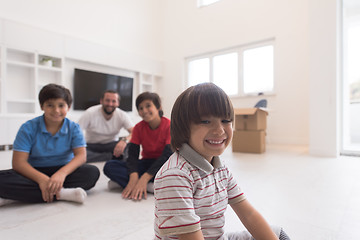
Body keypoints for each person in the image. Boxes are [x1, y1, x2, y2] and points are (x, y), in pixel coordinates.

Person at [154, 83, 290, 240]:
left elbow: (249, 215)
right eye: (205, 121)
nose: (219, 130)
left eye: (226, 120)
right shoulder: (175, 176)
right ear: (183, 128)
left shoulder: (220, 168)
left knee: (277, 233)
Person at [0, 84, 100, 206]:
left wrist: (61, 174)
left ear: (68, 107)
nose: (56, 111)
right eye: (50, 105)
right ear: (42, 106)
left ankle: (17, 195)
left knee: (92, 173)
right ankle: (62, 193)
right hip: (34, 172)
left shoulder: (74, 128)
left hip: (63, 170)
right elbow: (18, 163)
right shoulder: (28, 128)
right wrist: (42, 180)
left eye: (61, 105)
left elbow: (81, 156)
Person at [103, 92, 172, 200]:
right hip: (146, 163)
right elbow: (133, 155)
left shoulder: (169, 125)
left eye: (148, 106)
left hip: (165, 165)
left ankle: (136, 184)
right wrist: (133, 175)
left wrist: (145, 177)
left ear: (158, 107)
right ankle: (149, 186)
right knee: (109, 166)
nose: (144, 111)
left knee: (175, 175)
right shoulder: (138, 128)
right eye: (140, 108)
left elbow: (167, 156)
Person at [78, 90, 134, 162]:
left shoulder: (122, 115)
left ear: (118, 103)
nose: (110, 104)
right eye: (107, 100)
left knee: (131, 146)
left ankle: (106, 156)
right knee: (77, 153)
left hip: (112, 144)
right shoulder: (90, 112)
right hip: (91, 145)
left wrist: (124, 141)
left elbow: (135, 132)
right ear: (101, 101)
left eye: (113, 101)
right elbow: (77, 131)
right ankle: (111, 156)